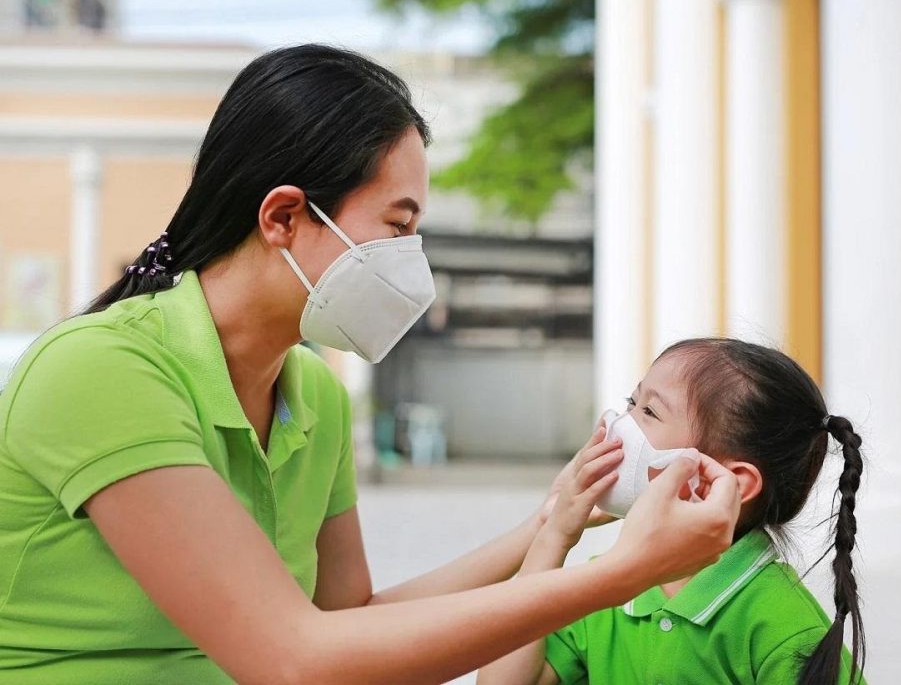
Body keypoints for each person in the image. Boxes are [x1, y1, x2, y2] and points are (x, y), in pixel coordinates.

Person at [0, 45, 742, 684]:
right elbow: (293, 661)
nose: (411, 261)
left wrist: (557, 520)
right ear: (284, 217)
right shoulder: (105, 370)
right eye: (397, 225)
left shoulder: (312, 394)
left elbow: (350, 623)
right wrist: (625, 574)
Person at [478, 338, 867, 685]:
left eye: (649, 412)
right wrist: (554, 532)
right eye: (632, 402)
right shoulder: (604, 587)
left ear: (727, 481)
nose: (616, 425)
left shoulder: (782, 625)